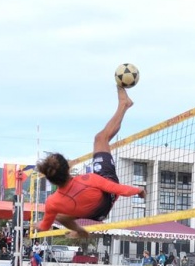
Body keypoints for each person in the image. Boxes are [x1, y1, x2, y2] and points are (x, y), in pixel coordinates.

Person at [33, 86, 146, 238]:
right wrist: (138, 190)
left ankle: (79, 230)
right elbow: (117, 189)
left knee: (59, 216)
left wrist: (38, 225)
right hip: (108, 196)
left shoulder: (52, 202)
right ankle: (124, 104)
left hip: (95, 215)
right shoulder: (88, 179)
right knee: (100, 138)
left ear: (50, 179)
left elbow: (44, 228)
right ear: (68, 167)